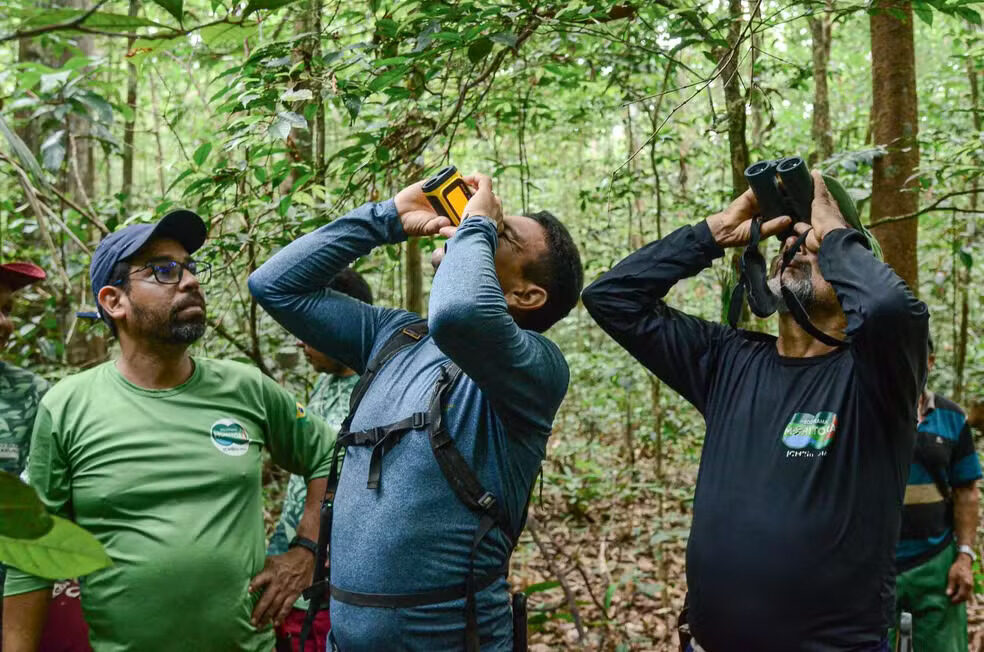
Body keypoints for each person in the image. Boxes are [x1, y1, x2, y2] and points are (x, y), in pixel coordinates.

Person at [581, 171, 929, 651]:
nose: (796, 245)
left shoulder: (878, 377)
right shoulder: (728, 360)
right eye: (789, 240)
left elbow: (892, 309)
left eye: (815, 242)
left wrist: (832, 234)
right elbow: (611, 298)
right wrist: (714, 233)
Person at [249, 173, 582, 650]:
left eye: (502, 232)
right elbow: (274, 285)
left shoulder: (537, 368)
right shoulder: (395, 338)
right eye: (491, 222)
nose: (478, 223)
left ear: (526, 296)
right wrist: (388, 217)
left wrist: (478, 225)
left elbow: (461, 315)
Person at [2, 211, 336, 652]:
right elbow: (34, 551)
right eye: (163, 270)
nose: (191, 281)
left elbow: (330, 454)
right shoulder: (66, 406)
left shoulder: (246, 387)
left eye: (190, 268)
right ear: (113, 301)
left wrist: (306, 551)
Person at [266, 267, 373, 652]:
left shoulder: (378, 389)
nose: (300, 342)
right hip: (293, 574)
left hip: (332, 591)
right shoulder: (327, 379)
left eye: (310, 326)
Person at [893, 337, 980, 652]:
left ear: (930, 363)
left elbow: (967, 491)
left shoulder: (952, 417)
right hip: (874, 565)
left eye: (917, 358)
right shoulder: (868, 412)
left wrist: (965, 557)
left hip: (935, 561)